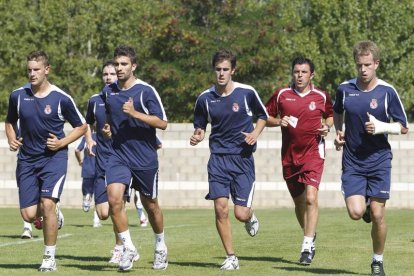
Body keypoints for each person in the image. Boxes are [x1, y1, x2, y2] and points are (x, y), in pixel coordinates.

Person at [5, 50, 87, 272]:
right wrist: (11, 139)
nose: (32, 74)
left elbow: (82, 126)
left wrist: (62, 143)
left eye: (36, 70)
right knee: (29, 215)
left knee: (48, 203)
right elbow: (10, 121)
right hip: (27, 160)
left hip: (53, 158)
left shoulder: (61, 98)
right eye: (29, 70)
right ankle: (52, 213)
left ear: (47, 70)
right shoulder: (18, 96)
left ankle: (49, 257)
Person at [333, 40, 408, 276]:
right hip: (353, 161)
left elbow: (403, 127)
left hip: (379, 160)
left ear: (376, 63)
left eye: (367, 65)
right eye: (359, 65)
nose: (363, 70)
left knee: (378, 214)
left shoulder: (387, 92)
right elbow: (337, 112)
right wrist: (338, 131)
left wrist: (381, 127)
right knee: (356, 213)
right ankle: (363, 204)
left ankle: (377, 261)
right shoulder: (345, 89)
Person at [190, 49, 268, 270]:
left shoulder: (246, 92)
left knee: (240, 213)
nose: (221, 74)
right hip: (218, 160)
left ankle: (250, 216)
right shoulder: (205, 98)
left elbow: (262, 116)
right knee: (220, 209)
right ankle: (231, 256)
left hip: (242, 159)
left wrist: (255, 133)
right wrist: (198, 135)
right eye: (218, 69)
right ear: (213, 70)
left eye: (225, 69)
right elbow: (200, 125)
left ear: (233, 70)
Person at [102, 45, 168, 272]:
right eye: (116, 64)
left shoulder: (146, 91)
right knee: (114, 199)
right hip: (118, 155)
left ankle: (160, 246)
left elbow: (162, 123)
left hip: (144, 157)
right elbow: (110, 115)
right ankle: (128, 248)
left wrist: (135, 113)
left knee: (150, 206)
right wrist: (108, 128)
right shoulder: (109, 91)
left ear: (134, 66)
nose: (119, 69)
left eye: (123, 64)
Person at [265, 56, 333, 265]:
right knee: (299, 202)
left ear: (311, 75)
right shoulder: (282, 95)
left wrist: (327, 126)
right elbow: (264, 117)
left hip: (313, 153)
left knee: (311, 197)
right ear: (292, 73)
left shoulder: (321, 96)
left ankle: (306, 246)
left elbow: (331, 116)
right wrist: (278, 121)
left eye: (304, 72)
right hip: (290, 157)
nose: (299, 76)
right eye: (296, 72)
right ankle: (310, 233)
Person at [85, 60, 125, 263]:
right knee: (102, 213)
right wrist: (90, 139)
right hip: (101, 160)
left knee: (117, 204)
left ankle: (121, 247)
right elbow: (87, 124)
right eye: (105, 74)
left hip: (121, 159)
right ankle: (124, 242)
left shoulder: (124, 98)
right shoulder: (95, 100)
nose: (109, 77)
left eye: (112, 74)